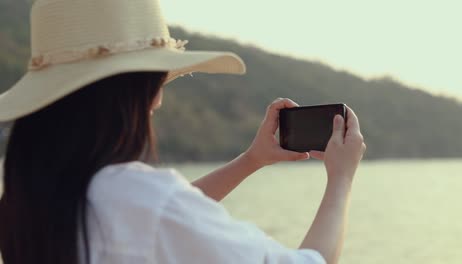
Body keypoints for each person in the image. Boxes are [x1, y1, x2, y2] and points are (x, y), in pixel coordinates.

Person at [0, 0, 366, 264]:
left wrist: (251, 160)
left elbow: (147, 219)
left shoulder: (28, 197)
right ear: (134, 92)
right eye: (158, 81)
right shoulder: (138, 199)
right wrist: (341, 179)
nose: (158, 100)